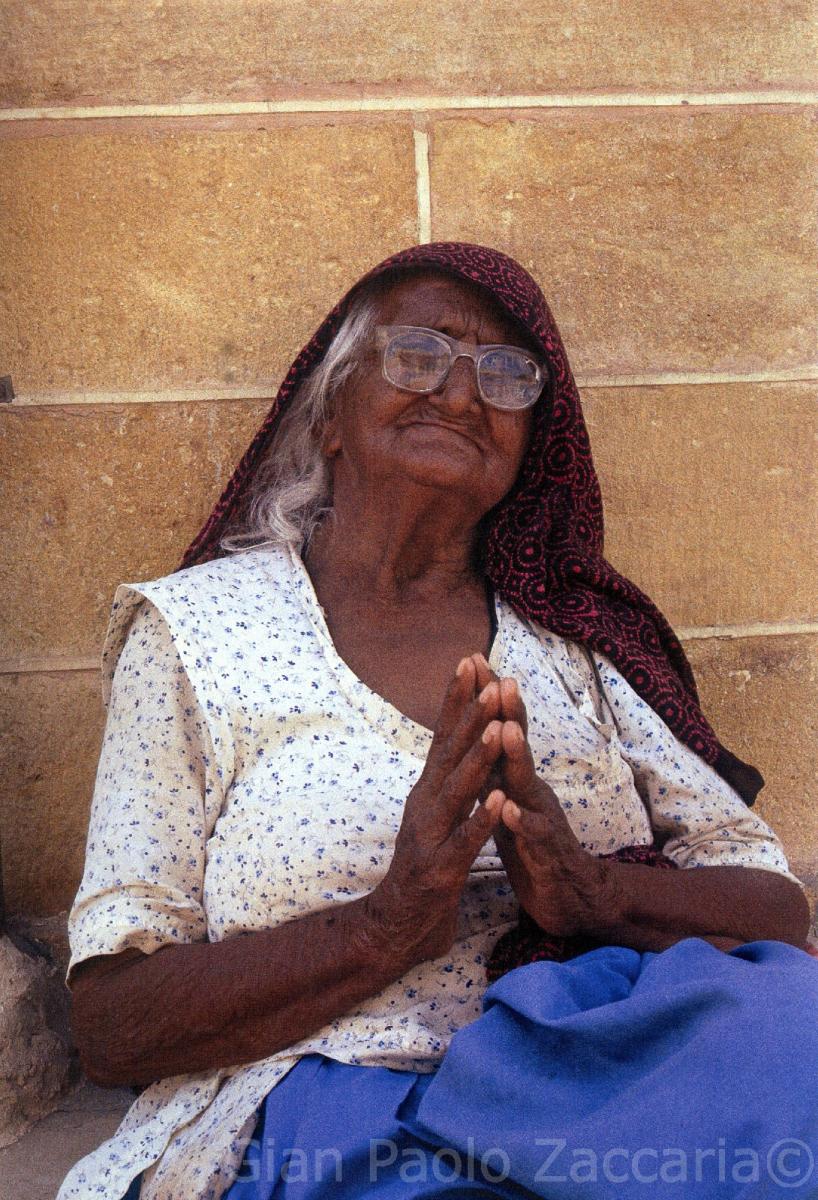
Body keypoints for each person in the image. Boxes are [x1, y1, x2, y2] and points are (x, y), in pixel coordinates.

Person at [58, 243, 817, 1200]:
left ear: (528, 444)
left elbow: (775, 910)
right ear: (329, 413)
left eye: (505, 376)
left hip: (598, 1064)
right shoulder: (196, 633)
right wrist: (385, 924)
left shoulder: (575, 639)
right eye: (418, 355)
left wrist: (591, 893)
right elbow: (113, 1027)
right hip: (343, 1093)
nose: (461, 396)